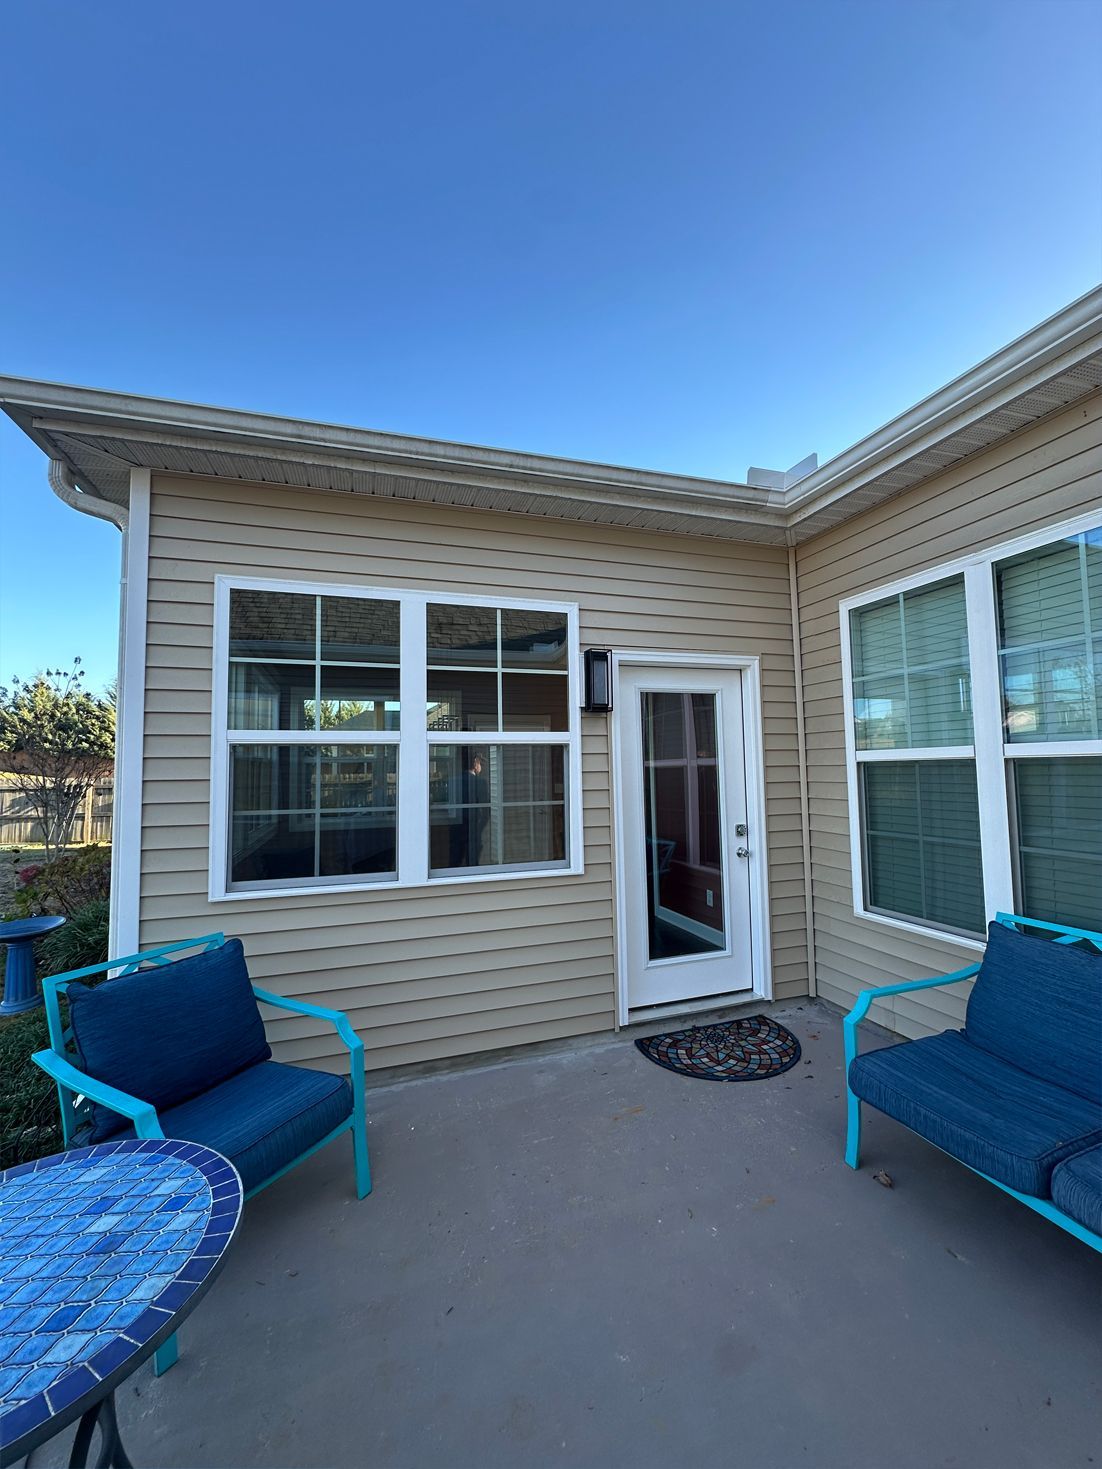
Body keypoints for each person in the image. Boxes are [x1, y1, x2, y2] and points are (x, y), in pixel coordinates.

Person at [448, 748, 489, 867]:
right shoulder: (480, 782)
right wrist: (478, 829)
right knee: (472, 865)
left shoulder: (453, 781)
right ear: (475, 763)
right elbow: (486, 812)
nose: (481, 766)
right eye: (480, 763)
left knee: (454, 864)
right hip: (473, 828)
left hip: (456, 830)